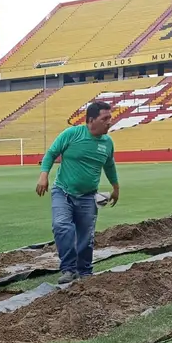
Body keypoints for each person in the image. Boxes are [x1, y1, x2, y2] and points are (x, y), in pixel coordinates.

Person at [35, 100, 120, 285]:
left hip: (88, 196)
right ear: (90, 120)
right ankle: (69, 269)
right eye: (105, 118)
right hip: (63, 191)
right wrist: (43, 176)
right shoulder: (72, 134)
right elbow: (51, 154)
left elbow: (109, 165)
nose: (109, 122)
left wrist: (116, 187)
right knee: (61, 226)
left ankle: (85, 272)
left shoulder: (107, 143)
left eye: (110, 118)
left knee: (85, 237)